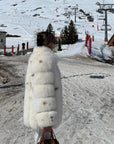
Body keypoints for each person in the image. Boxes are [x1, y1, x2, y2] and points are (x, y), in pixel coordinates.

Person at [24, 32, 62, 144]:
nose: (55, 44)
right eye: (54, 42)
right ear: (49, 43)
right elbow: (43, 93)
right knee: (43, 140)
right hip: (42, 115)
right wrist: (46, 122)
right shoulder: (45, 60)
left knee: (38, 138)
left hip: (36, 111)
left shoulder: (35, 56)